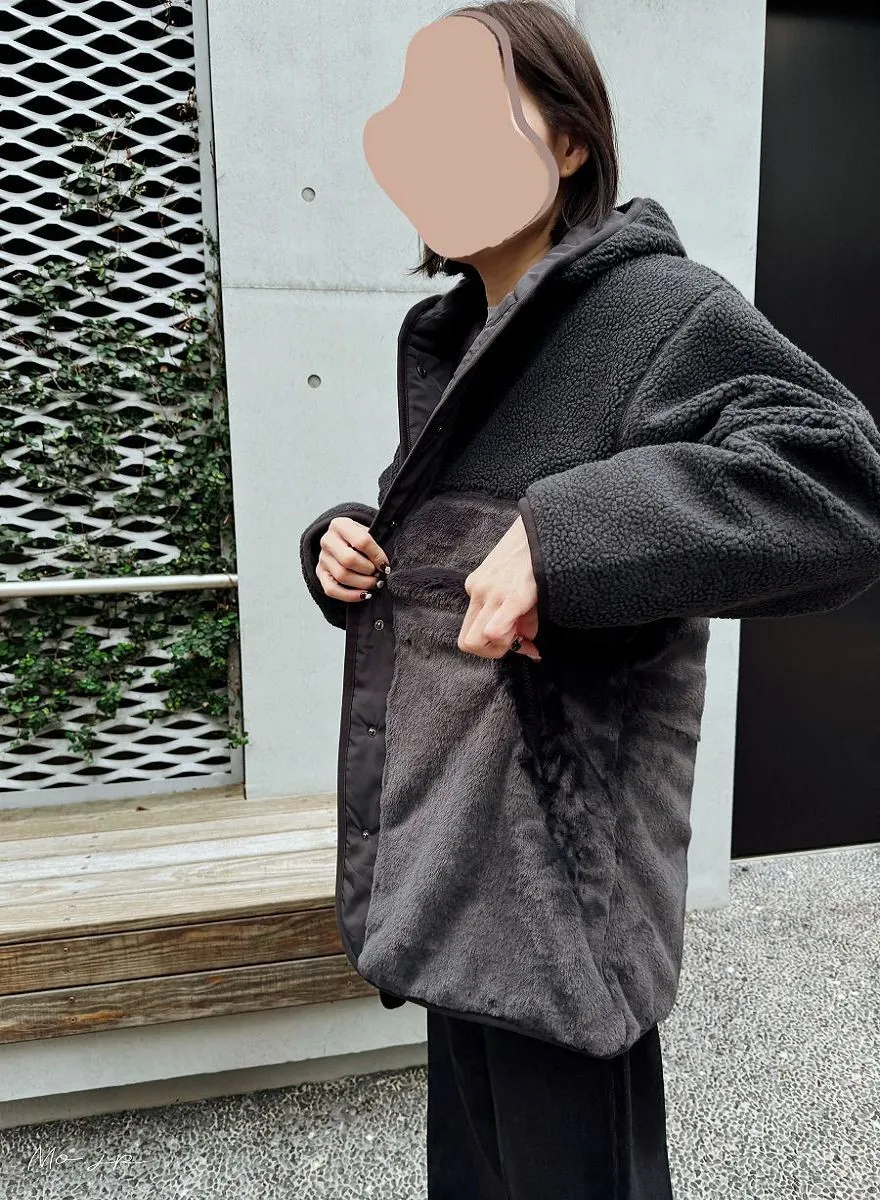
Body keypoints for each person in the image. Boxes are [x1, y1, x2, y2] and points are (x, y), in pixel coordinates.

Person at [299, 3, 880, 1197]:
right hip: (450, 859)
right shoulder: (462, 335)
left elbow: (839, 484)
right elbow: (459, 544)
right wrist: (349, 544)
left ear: (568, 143)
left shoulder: (655, 310)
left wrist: (564, 538)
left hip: (558, 895)